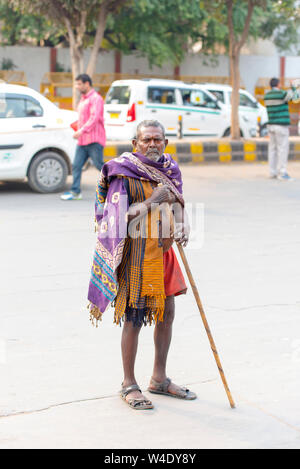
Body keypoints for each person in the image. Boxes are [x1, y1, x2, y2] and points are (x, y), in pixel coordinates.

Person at [87, 120, 197, 410]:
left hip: (164, 253)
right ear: (135, 144)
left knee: (166, 313)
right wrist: (153, 200)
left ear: (165, 143)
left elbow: (178, 203)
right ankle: (129, 384)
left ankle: (159, 379)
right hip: (136, 254)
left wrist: (183, 224)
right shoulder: (123, 172)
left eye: (157, 139)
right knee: (134, 318)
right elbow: (117, 217)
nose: (152, 144)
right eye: (146, 139)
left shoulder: (170, 169)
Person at [61, 74, 106, 200]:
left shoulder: (96, 99)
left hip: (94, 139)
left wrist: (81, 131)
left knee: (99, 166)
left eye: (79, 84)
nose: (77, 87)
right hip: (82, 141)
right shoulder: (83, 99)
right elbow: (83, 118)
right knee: (76, 165)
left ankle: (119, 184)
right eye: (76, 84)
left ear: (87, 84)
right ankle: (75, 192)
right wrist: (76, 127)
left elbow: (94, 118)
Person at [264, 78, 298, 181]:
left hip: (271, 125)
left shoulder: (267, 96)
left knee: (272, 150)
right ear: (278, 84)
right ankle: (282, 173)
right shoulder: (281, 94)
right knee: (282, 149)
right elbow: (295, 98)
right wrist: (293, 86)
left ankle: (272, 172)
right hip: (281, 126)